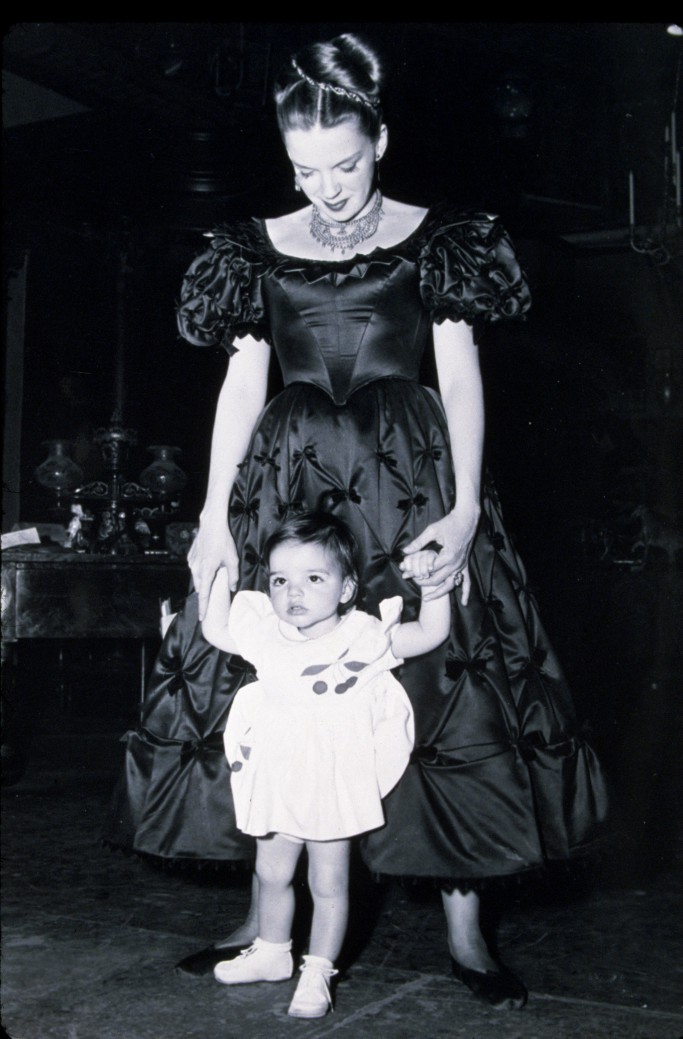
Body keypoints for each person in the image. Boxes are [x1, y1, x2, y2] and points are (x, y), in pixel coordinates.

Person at [102, 31, 609, 1011]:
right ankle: (265, 916)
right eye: (303, 168)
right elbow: (240, 384)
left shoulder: (441, 235)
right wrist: (213, 518)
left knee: (440, 680)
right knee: (260, 685)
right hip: (284, 486)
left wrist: (461, 509)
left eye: (341, 165)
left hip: (409, 477)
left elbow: (456, 380)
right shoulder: (254, 246)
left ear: (377, 138)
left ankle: (465, 926)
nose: (324, 187)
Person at [200, 509, 448, 1018]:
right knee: (270, 874)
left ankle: (318, 970)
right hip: (277, 777)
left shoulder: (362, 637)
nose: (294, 592)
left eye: (314, 578)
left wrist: (437, 585)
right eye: (280, 580)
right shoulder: (267, 634)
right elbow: (215, 627)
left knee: (328, 884)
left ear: (345, 588)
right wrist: (216, 568)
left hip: (332, 782)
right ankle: (272, 952)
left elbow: (429, 635)